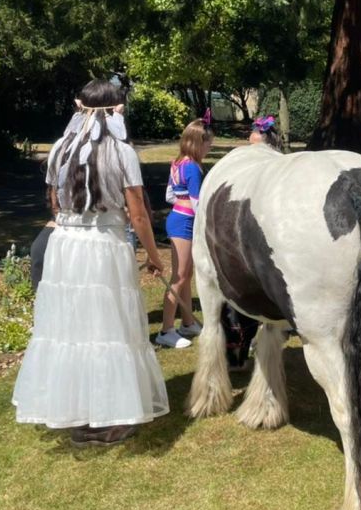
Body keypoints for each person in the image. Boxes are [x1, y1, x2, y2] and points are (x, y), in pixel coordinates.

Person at [13, 79, 169, 448]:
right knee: (108, 328)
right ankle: (109, 417)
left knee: (73, 328)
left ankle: (79, 409)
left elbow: (54, 202)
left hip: (65, 246)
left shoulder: (59, 150)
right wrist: (153, 254)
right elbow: (138, 213)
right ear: (115, 110)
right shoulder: (121, 152)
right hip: (103, 246)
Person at [156, 119, 213, 348]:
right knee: (179, 277)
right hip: (185, 223)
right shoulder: (192, 167)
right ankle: (166, 329)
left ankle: (187, 322)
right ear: (198, 142)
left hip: (178, 219)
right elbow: (197, 201)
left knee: (186, 274)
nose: (209, 148)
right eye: (208, 143)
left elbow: (170, 195)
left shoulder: (178, 163)